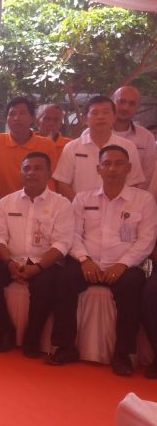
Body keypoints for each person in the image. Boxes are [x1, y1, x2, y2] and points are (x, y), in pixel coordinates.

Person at [47, 144, 157, 375]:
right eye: (107, 164)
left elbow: (146, 240)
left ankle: (123, 354)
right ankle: (64, 347)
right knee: (63, 279)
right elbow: (72, 235)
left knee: (133, 285)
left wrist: (122, 264)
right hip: (87, 262)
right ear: (98, 169)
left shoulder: (144, 200)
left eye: (118, 164)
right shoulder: (82, 198)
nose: (112, 169)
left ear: (128, 168)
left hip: (126, 266)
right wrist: (84, 259)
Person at [0, 152, 72, 357]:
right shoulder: (7, 202)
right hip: (12, 259)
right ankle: (4, 331)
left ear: (49, 173)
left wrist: (38, 268)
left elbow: (62, 243)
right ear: (21, 173)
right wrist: (8, 263)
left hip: (44, 262)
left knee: (46, 284)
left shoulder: (61, 204)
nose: (31, 173)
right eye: (27, 168)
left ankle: (32, 338)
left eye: (38, 168)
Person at [54, 95, 144, 200]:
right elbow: (63, 184)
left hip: (118, 208)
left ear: (114, 117)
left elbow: (133, 183)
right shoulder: (72, 147)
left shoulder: (128, 147)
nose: (100, 117)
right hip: (79, 208)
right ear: (85, 119)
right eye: (95, 113)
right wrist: (81, 206)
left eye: (106, 112)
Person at [0, 96, 57, 198]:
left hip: (37, 204)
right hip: (1, 205)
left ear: (32, 118)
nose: (16, 118)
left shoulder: (47, 145)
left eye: (22, 113)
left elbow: (50, 181)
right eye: (12, 114)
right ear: (6, 119)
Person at [112, 85, 156, 183]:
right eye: (121, 101)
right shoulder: (93, 133)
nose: (125, 107)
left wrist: (133, 193)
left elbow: (147, 175)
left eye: (132, 103)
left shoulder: (146, 137)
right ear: (112, 102)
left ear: (138, 107)